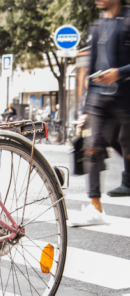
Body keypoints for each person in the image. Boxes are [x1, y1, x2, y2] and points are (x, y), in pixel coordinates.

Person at [70, 0, 130, 227]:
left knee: (124, 144)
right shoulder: (96, 27)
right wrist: (85, 109)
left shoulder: (128, 20)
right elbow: (92, 68)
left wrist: (119, 73)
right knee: (92, 149)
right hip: (99, 99)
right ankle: (95, 208)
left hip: (125, 97)